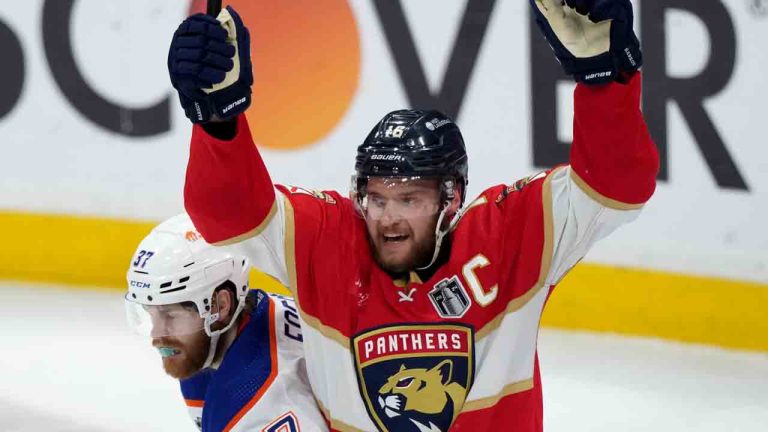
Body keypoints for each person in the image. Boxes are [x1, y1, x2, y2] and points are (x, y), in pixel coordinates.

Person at [168, 1, 659, 430]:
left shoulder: (510, 236)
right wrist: (217, 122)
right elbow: (228, 217)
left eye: (409, 200)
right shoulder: (328, 241)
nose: (387, 218)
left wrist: (607, 82)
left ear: (451, 199)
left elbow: (615, 188)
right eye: (377, 198)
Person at [124, 213, 327, 431]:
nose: (157, 335)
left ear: (221, 305)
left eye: (171, 315)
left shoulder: (258, 404)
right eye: (150, 313)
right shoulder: (248, 323)